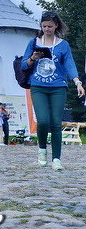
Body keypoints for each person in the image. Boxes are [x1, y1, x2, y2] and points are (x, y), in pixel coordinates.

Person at [21, 11, 84, 171]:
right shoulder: (34, 42)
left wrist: (77, 82)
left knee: (56, 123)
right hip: (38, 87)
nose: (47, 28)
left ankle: (56, 159)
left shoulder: (63, 45)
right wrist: (33, 58)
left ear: (56, 26)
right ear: (41, 26)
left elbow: (69, 64)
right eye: (44, 26)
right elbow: (23, 65)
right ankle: (42, 149)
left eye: (50, 26)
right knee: (43, 121)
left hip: (58, 87)